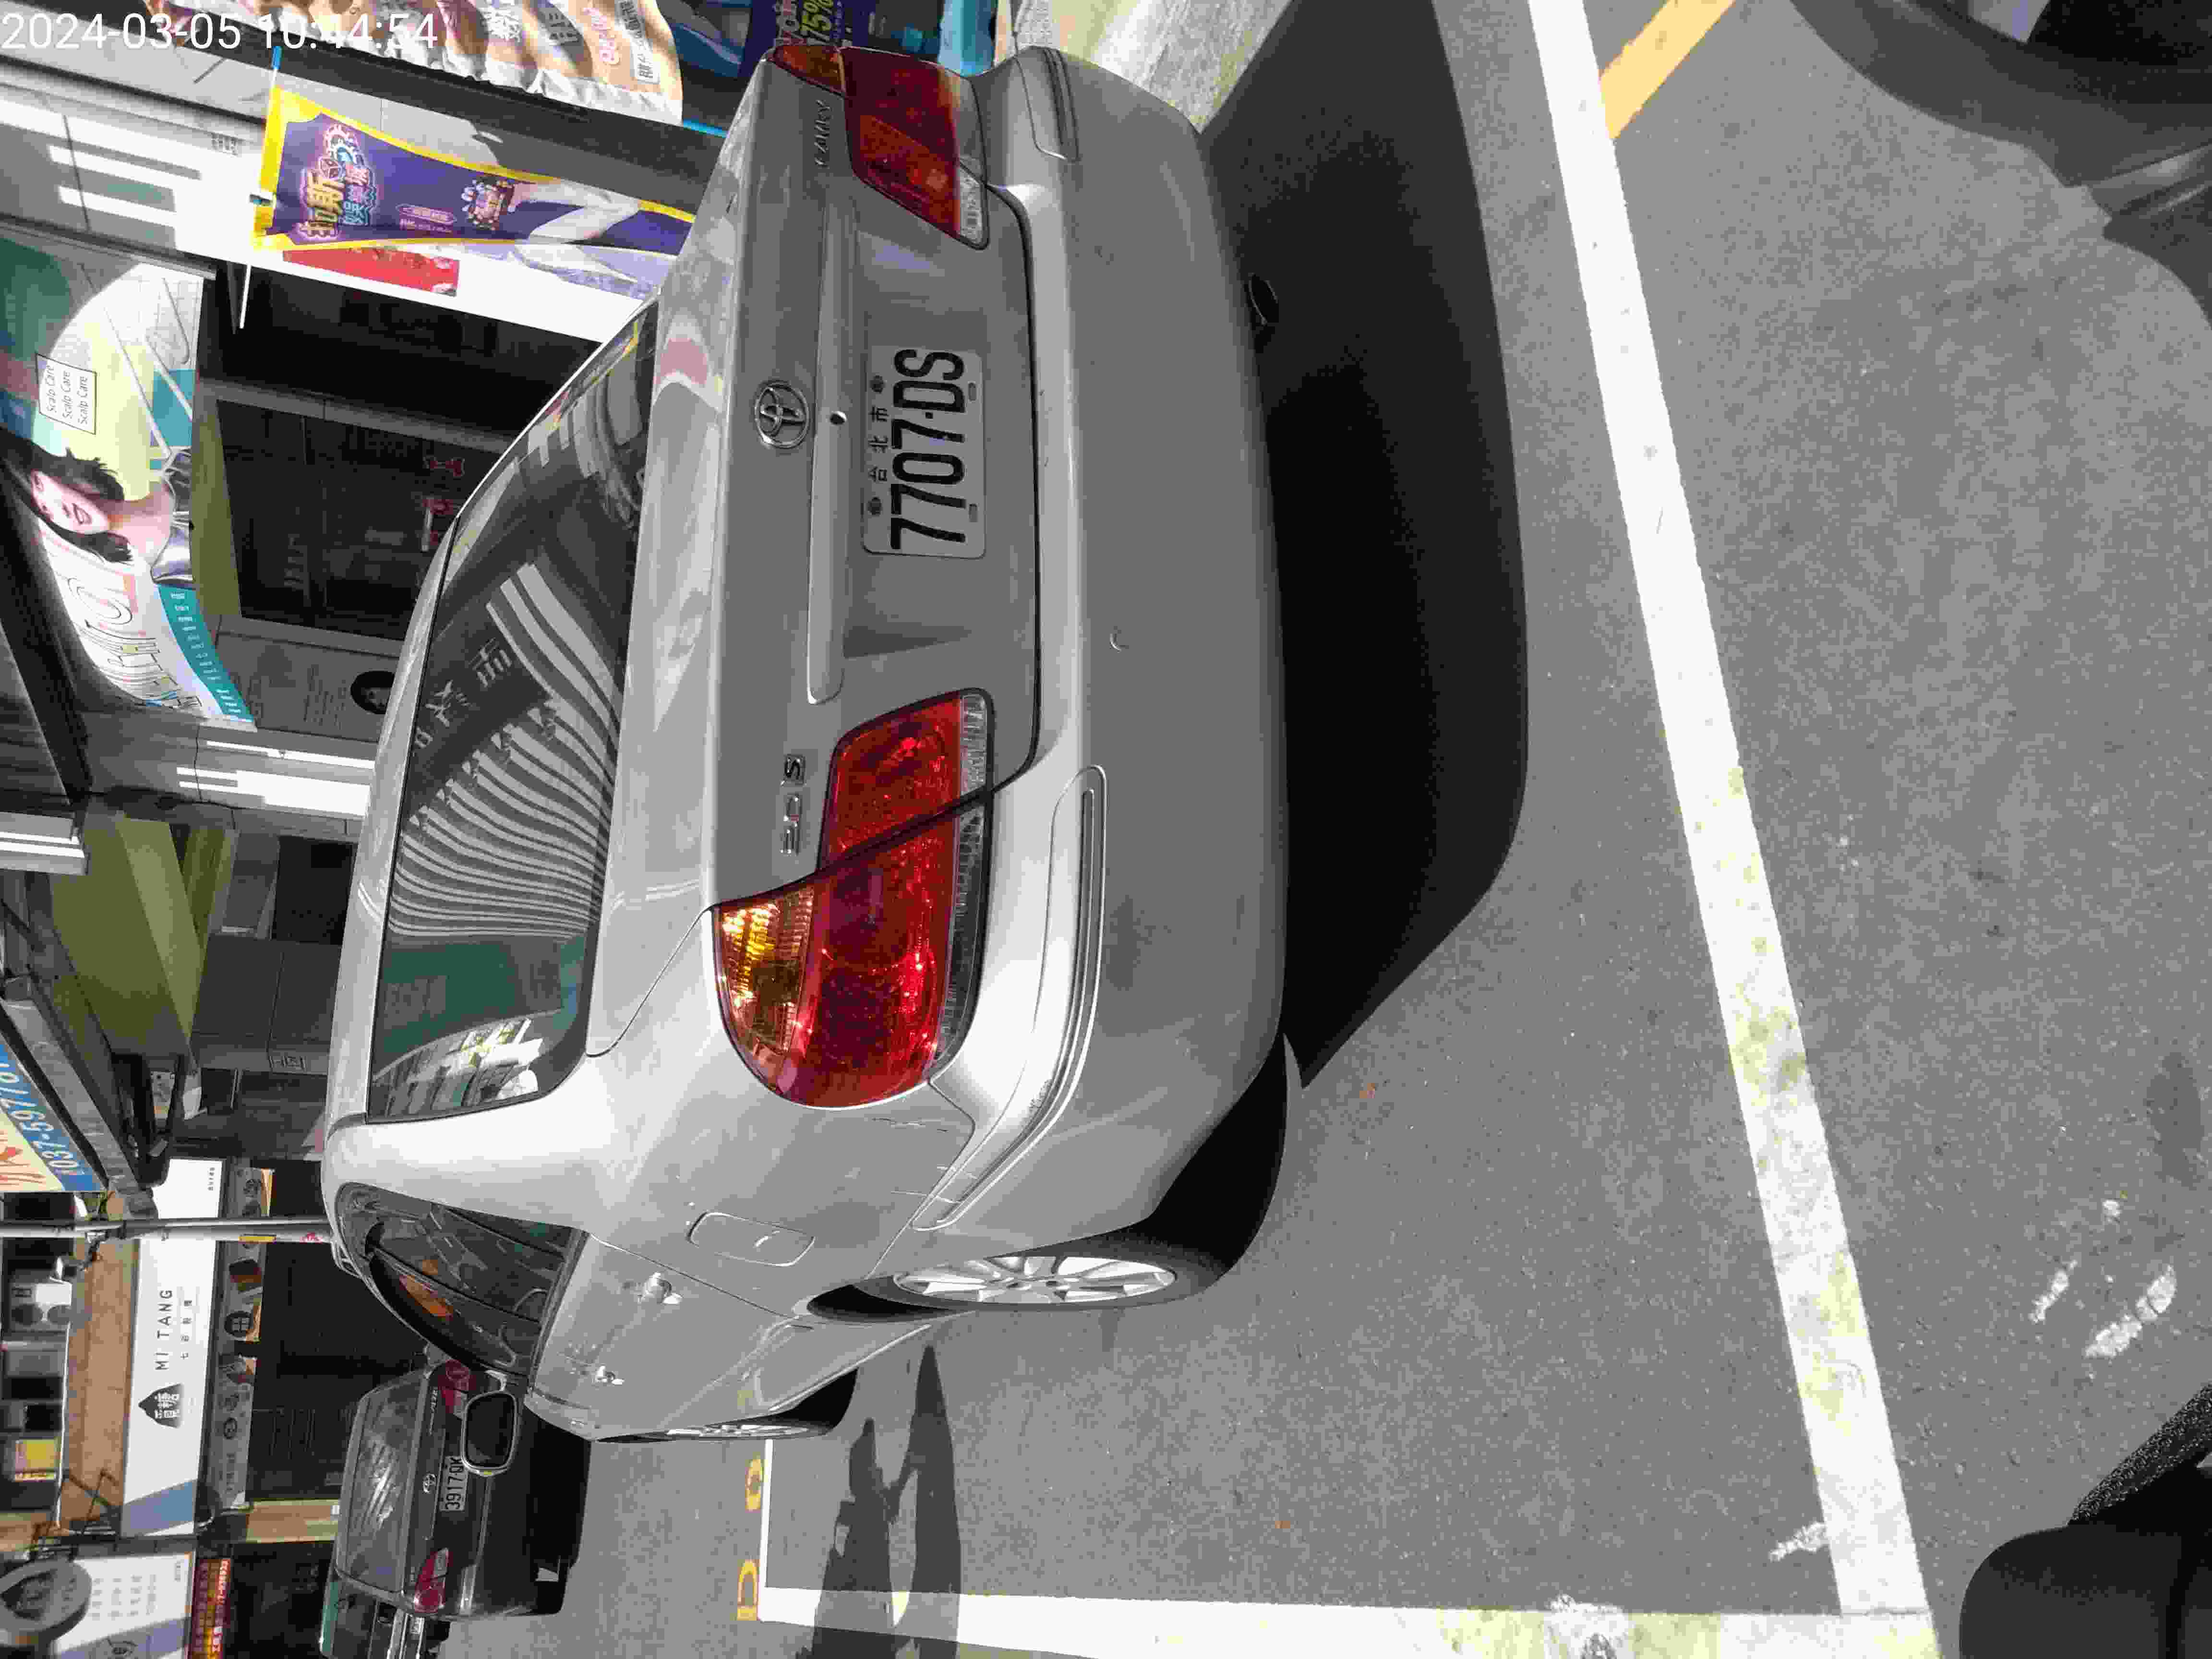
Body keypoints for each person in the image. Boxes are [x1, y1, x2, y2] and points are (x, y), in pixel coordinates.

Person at [0, 426, 175, 568]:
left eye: (39, 484)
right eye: (45, 510)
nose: (61, 510)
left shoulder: (179, 471)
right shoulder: (167, 571)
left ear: (64, 472)